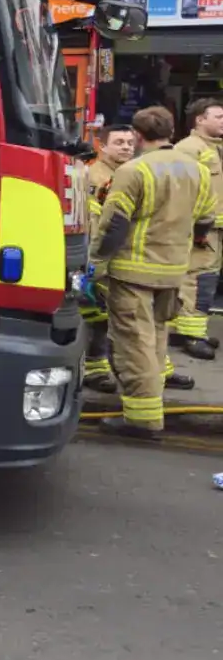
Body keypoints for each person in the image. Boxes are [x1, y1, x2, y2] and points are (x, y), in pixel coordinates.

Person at [90, 106, 214, 439]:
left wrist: (97, 262)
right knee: (157, 338)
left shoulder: (133, 171)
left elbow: (115, 223)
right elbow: (204, 220)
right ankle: (151, 402)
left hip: (134, 271)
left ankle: (142, 419)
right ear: (172, 130)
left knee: (134, 343)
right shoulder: (197, 170)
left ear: (138, 135)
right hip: (173, 270)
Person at [78, 124, 138, 392]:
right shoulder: (94, 176)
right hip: (99, 254)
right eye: (119, 142)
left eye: (129, 142)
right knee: (97, 315)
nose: (126, 147)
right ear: (102, 146)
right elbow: (95, 220)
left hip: (120, 253)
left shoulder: (130, 173)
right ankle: (94, 369)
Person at [170, 97, 223, 360]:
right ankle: (191, 335)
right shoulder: (188, 149)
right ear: (200, 120)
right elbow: (179, 191)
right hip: (199, 229)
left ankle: (192, 329)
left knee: (207, 278)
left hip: (215, 228)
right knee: (196, 280)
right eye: (219, 116)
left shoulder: (214, 148)